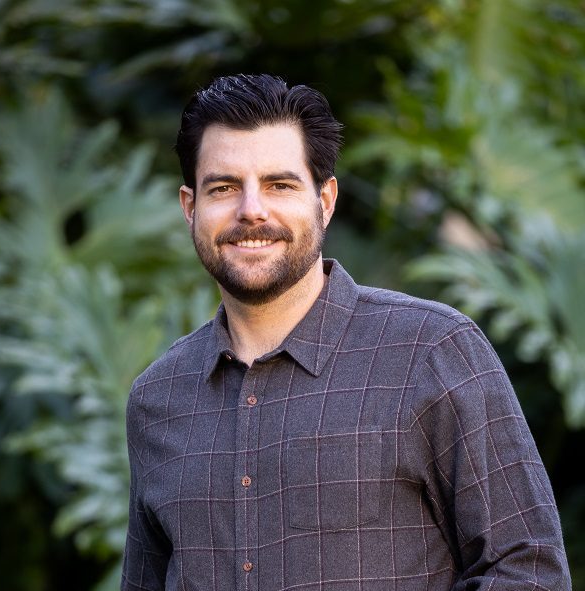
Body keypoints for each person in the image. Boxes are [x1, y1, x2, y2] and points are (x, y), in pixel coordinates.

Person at [121, 74, 571, 591]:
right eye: (223, 188)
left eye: (280, 185)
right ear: (190, 207)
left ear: (326, 200)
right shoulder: (158, 398)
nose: (252, 210)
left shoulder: (431, 351)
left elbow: (527, 569)